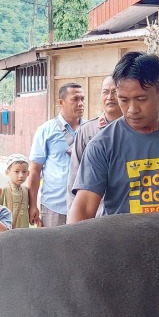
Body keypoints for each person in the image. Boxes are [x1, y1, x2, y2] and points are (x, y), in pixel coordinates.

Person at [70, 52, 159, 222]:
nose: (132, 109)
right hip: (120, 247)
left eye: (141, 99)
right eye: (123, 100)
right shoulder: (102, 145)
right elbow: (84, 208)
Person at [27, 82, 85, 227]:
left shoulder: (90, 129)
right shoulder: (46, 130)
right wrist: (33, 205)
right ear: (61, 102)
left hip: (84, 204)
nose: (80, 103)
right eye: (75, 99)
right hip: (54, 205)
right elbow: (35, 170)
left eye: (82, 99)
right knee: (53, 249)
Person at [67, 75, 122, 218]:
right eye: (105, 92)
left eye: (114, 92)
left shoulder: (133, 130)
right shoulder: (87, 131)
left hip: (123, 213)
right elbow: (74, 176)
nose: (110, 97)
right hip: (95, 215)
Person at [0, 154, 31, 230]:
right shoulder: (3, 190)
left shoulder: (26, 190)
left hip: (24, 229)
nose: (21, 175)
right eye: (16, 171)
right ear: (7, 172)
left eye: (24, 171)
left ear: (28, 173)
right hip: (9, 230)